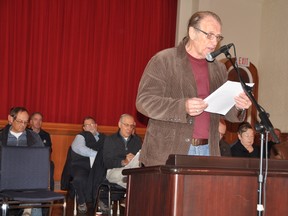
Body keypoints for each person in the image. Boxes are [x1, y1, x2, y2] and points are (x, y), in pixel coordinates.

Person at [136, 11, 252, 166]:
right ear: (192, 32)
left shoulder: (219, 69)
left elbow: (228, 113)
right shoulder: (164, 60)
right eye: (209, 35)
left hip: (208, 151)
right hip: (169, 151)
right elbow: (144, 102)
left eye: (218, 37)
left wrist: (238, 105)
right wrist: (182, 106)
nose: (214, 42)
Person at [0, 107, 44, 216]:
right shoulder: (1, 137)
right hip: (5, 177)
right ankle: (27, 207)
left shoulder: (34, 137)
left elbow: (41, 159)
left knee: (35, 183)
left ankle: (28, 209)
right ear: (10, 119)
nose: (23, 125)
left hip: (27, 177)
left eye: (25, 122)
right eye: (20, 121)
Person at [70, 117, 106, 214]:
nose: (90, 127)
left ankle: (100, 200)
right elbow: (79, 148)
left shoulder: (104, 138)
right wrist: (98, 156)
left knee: (105, 179)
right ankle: (81, 201)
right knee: (79, 178)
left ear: (96, 125)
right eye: (87, 125)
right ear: (84, 128)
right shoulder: (81, 136)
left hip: (99, 167)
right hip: (83, 165)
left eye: (92, 124)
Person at [103, 114, 142, 188]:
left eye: (131, 126)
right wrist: (124, 162)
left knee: (136, 176)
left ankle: (130, 192)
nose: (129, 128)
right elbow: (107, 163)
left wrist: (135, 159)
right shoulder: (110, 139)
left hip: (132, 170)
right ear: (119, 124)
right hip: (114, 170)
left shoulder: (137, 140)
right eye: (126, 125)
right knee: (129, 176)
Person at [29, 112, 55, 191]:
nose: (38, 122)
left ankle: (49, 193)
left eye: (40, 120)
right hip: (29, 160)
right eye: (35, 119)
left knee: (50, 165)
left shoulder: (46, 135)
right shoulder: (26, 133)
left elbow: (49, 150)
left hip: (42, 160)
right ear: (30, 122)